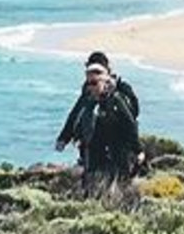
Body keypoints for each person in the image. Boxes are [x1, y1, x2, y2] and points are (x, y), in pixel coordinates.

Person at [70, 63, 144, 194]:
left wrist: (138, 150)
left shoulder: (116, 99)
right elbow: (77, 117)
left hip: (119, 147)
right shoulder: (89, 100)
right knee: (93, 182)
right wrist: (72, 136)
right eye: (88, 83)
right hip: (97, 148)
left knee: (121, 183)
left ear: (104, 81)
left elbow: (129, 124)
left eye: (94, 83)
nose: (91, 87)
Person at [54, 50, 140, 157]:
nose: (91, 83)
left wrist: (137, 150)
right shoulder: (88, 91)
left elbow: (131, 119)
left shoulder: (121, 92)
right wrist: (63, 138)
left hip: (118, 146)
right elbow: (76, 113)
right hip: (94, 148)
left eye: (96, 73)